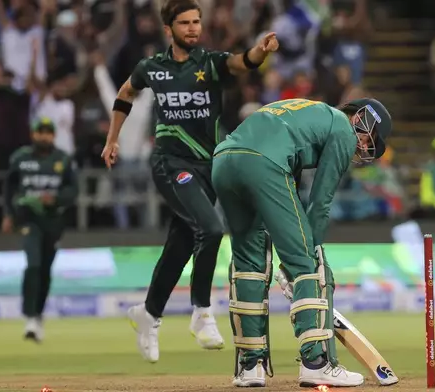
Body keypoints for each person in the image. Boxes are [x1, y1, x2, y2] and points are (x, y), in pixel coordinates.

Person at [100, 0, 279, 361]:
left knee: (181, 244)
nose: (193, 28)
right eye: (185, 23)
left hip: (207, 166)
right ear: (169, 29)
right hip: (170, 162)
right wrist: (112, 139)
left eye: (197, 22)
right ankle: (201, 311)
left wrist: (259, 51)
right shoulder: (153, 68)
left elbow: (241, 62)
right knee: (212, 229)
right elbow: (125, 94)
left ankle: (148, 314)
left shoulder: (210, 63)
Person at [211, 97, 392, 387]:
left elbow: (288, 186)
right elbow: (320, 203)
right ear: (361, 119)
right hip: (263, 161)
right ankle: (316, 363)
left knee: (249, 263)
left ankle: (250, 367)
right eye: (369, 140)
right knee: (308, 261)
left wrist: (289, 250)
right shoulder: (344, 129)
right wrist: (305, 256)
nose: (362, 148)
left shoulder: (308, 113)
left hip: (223, 161)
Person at [1, 117, 78, 343]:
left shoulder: (63, 160)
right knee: (33, 264)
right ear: (33, 134)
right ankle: (30, 316)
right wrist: (8, 214)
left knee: (44, 269)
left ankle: (38, 315)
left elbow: (73, 190)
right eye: (39, 132)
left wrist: (53, 199)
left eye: (48, 133)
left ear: (53, 136)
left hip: (53, 221)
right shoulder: (20, 158)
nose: (43, 137)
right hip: (28, 220)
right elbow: (9, 188)